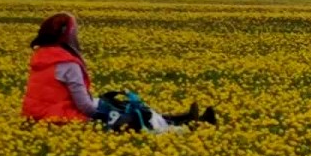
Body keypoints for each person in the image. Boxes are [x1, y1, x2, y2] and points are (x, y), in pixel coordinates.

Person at [20, 12, 216, 132]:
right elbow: (84, 106)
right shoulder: (66, 63)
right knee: (129, 116)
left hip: (38, 117)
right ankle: (185, 126)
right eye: (74, 32)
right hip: (60, 119)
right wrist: (105, 112)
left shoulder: (42, 57)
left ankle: (179, 119)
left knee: (120, 107)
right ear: (66, 35)